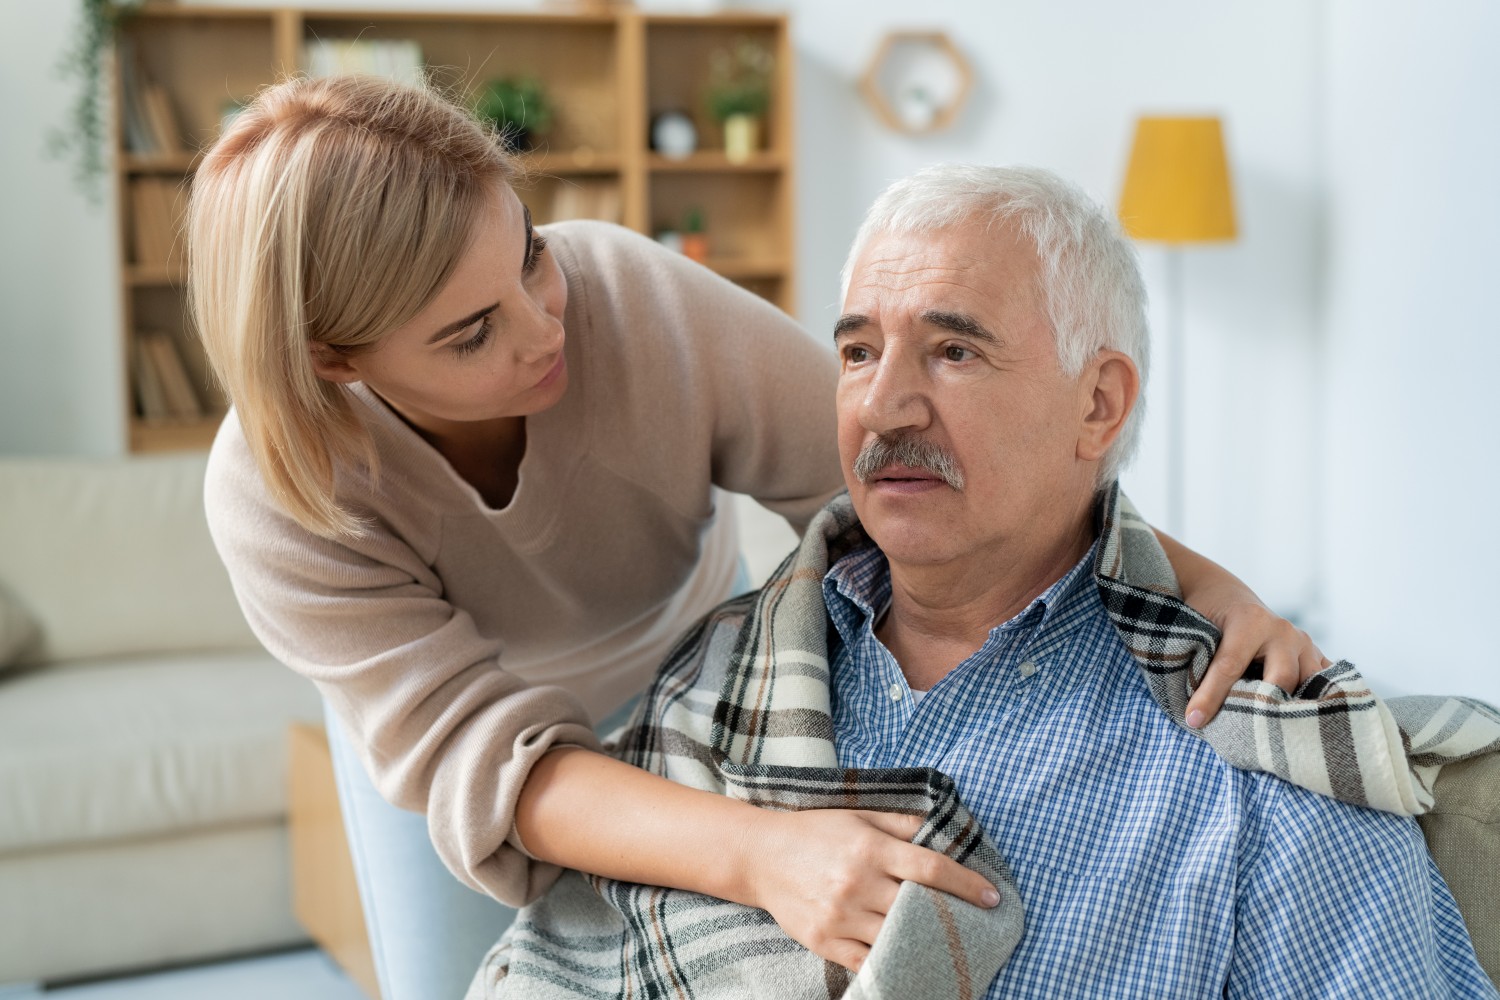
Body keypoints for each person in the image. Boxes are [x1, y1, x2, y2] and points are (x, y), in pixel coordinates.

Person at [188, 77, 1334, 1000]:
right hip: (480, 770)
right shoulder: (277, 497)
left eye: (529, 251)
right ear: (339, 362)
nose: (547, 327)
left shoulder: (630, 299)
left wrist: (1204, 581)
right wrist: (762, 852)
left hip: (697, 686)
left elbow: (902, 471)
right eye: (475, 330)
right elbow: (489, 769)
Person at [474, 164, 1500, 999]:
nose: (885, 407)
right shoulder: (715, 686)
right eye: (858, 350)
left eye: (954, 349)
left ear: (1098, 404)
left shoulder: (1267, 767)